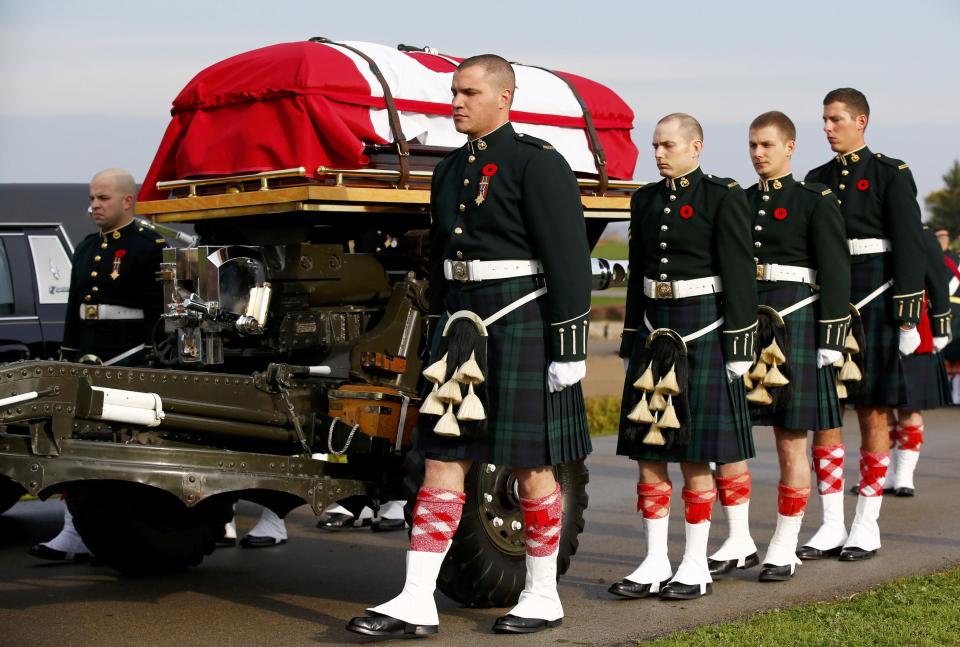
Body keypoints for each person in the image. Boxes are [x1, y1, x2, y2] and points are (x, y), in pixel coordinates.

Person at [346, 54, 592, 637]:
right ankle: (416, 597)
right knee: (442, 459)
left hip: (521, 322)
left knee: (531, 467)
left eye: (469, 92)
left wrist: (570, 347)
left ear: (504, 97)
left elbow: (567, 261)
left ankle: (541, 592)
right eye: (454, 92)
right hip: (462, 327)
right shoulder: (450, 169)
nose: (456, 102)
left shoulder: (538, 164)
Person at [609, 113, 757, 601]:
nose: (659, 153)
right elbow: (638, 275)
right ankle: (654, 560)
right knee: (648, 452)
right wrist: (632, 333)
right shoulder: (645, 199)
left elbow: (739, 273)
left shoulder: (722, 195)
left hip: (705, 330)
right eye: (655, 145)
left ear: (696, 147)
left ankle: (694, 563)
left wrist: (740, 344)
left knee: (694, 454)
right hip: (656, 331)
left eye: (669, 145)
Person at [707, 112, 850, 582]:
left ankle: (784, 544)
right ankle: (739, 536)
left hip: (797, 323)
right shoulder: (736, 201)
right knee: (729, 436)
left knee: (791, 441)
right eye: (752, 145)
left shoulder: (815, 200)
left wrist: (832, 338)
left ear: (790, 146)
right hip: (745, 324)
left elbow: (835, 273)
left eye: (767, 145)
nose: (758, 154)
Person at [800, 88, 927, 561]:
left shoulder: (891, 174)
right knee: (826, 413)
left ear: (862, 120)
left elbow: (910, 245)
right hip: (828, 304)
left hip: (874, 300)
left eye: (836, 119)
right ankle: (831, 522)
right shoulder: (815, 180)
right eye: (824, 120)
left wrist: (908, 315)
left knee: (873, 411)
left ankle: (866, 524)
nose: (828, 127)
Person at [29, 168, 165, 562]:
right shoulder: (88, 248)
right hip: (90, 356)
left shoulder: (148, 247)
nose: (94, 206)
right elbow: (75, 309)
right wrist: (67, 356)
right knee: (74, 441)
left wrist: (147, 360)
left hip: (129, 359)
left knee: (114, 448)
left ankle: (113, 529)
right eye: (92, 198)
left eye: (103, 198)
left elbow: (158, 316)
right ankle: (74, 530)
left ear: (127, 200)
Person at [886, 226, 952, 496]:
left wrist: (940, 327)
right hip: (875, 327)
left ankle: (904, 474)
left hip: (915, 326)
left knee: (909, 407)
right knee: (878, 409)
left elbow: (938, 281)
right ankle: (887, 473)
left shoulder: (922, 235)